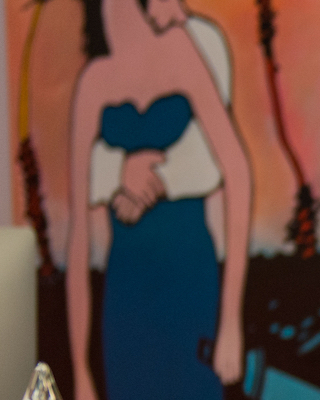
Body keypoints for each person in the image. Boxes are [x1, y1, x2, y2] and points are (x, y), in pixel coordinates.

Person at [65, 0, 252, 399]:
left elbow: (237, 173)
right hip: (127, 291)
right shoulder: (94, 82)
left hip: (191, 280)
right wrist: (80, 370)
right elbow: (78, 236)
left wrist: (231, 322)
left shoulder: (184, 51)